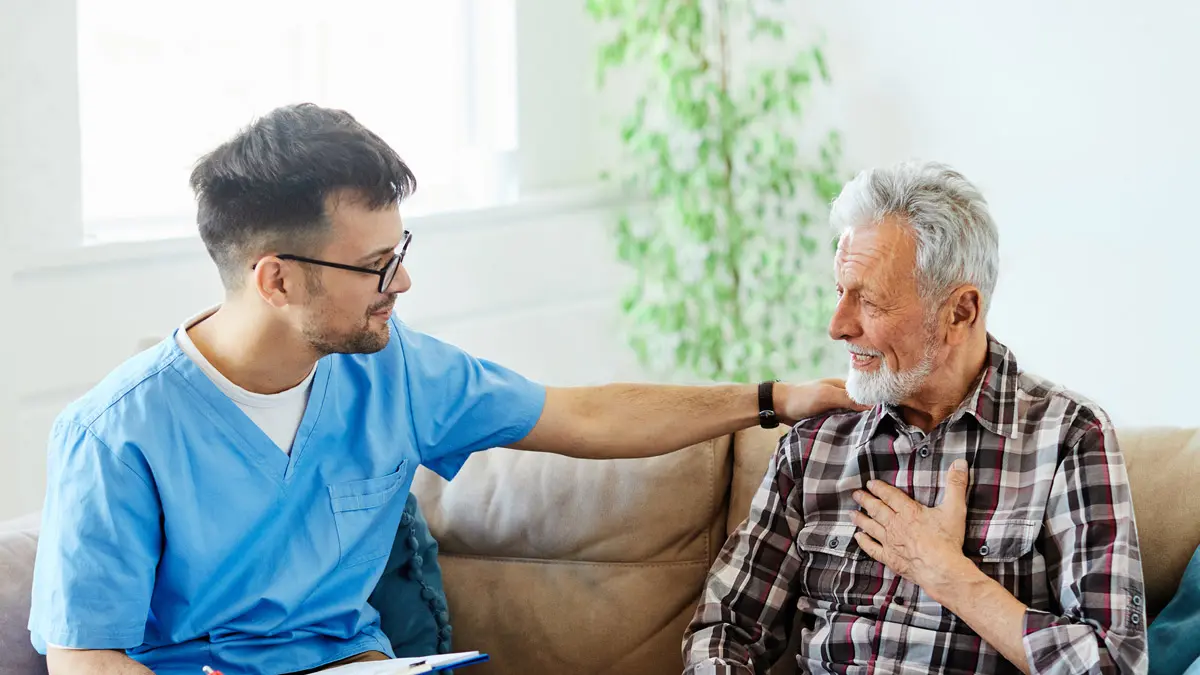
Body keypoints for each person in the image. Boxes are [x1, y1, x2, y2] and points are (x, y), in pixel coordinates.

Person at [26, 103, 862, 675]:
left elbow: (583, 413)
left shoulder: (395, 371)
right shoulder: (116, 434)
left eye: (401, 248)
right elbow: (85, 656)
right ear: (275, 280)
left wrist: (771, 397)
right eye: (374, 265)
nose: (404, 279)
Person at [682, 161, 1147, 674]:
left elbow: (1113, 662)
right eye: (841, 291)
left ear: (960, 312)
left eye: (871, 301)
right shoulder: (816, 442)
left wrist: (947, 573)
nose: (837, 327)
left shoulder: (1068, 437)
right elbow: (723, 630)